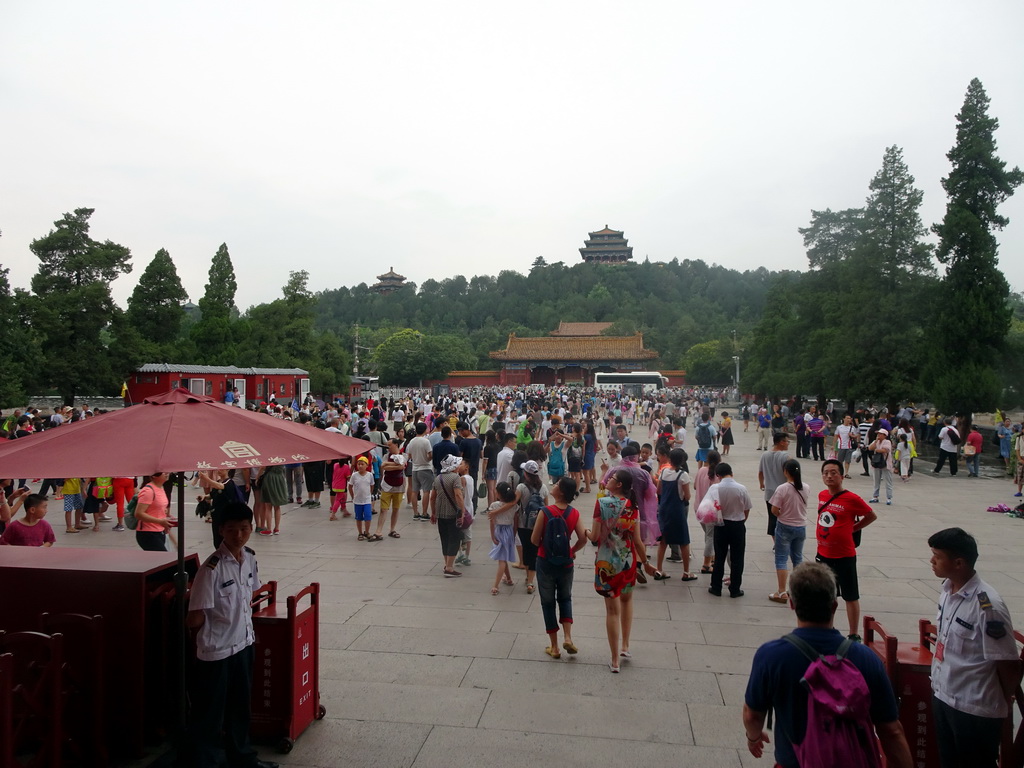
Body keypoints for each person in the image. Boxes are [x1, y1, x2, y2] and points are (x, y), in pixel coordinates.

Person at [742, 562, 912, 768]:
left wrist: (753, 738)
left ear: (792, 604)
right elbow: (892, 731)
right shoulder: (865, 658)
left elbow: (752, 715)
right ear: (834, 605)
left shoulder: (772, 656)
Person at [187, 502, 279, 768]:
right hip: (216, 652)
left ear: (251, 528)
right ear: (220, 531)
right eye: (231, 530)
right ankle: (207, 761)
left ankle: (242, 757)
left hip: (243, 644)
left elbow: (250, 593)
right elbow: (194, 617)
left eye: (244, 529)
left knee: (241, 707)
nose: (238, 535)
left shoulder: (249, 557)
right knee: (210, 713)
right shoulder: (210, 570)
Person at [928, 527, 1019, 768]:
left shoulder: (988, 606)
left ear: (958, 563)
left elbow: (1007, 662)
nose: (932, 561)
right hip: (943, 694)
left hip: (974, 707)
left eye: (937, 556)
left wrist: (999, 701)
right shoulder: (948, 590)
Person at [589, 468, 657, 672]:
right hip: (628, 561)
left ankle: (614, 659)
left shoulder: (602, 504)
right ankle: (625, 646)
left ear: (618, 485)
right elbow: (637, 540)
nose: (608, 479)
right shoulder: (632, 506)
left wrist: (583, 531)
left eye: (612, 478)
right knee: (627, 601)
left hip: (606, 564)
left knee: (611, 610)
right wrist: (645, 563)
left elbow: (593, 536)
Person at [814, 459, 876, 640]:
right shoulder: (822, 495)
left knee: (850, 595)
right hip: (823, 554)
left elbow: (871, 515)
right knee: (828, 595)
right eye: (826, 472)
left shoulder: (852, 498)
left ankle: (854, 633)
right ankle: (828, 628)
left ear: (841, 476)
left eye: (833, 472)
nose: (829, 476)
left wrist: (854, 528)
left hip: (844, 555)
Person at [531, 477, 588, 659]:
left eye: (556, 485)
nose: (553, 487)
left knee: (547, 603)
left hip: (545, 561)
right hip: (566, 563)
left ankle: (554, 647)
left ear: (561, 492)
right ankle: (568, 638)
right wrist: (571, 551)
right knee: (565, 599)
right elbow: (583, 538)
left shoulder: (546, 512)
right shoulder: (574, 513)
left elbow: (534, 540)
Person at [708, 463, 753, 598]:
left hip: (721, 524)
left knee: (719, 556)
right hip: (737, 524)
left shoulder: (715, 488)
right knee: (737, 558)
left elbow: (710, 507)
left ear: (718, 475)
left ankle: (716, 587)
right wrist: (742, 520)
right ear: (731, 472)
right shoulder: (741, 488)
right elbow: (747, 507)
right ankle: (735, 588)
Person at [768, 459, 808, 603]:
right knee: (797, 558)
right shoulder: (806, 487)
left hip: (785, 526)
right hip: (801, 526)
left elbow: (774, 509)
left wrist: (781, 515)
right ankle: (797, 591)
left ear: (785, 472)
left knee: (781, 559)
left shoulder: (782, 488)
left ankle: (781, 591)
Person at [654, 448, 696, 580]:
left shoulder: (664, 471)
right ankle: (686, 572)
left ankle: (659, 569)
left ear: (670, 459)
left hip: (664, 508)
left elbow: (658, 490)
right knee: (683, 541)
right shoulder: (683, 475)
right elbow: (687, 496)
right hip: (677, 510)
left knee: (663, 541)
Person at [429, 454, 466, 577]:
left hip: (440, 513)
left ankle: (447, 564)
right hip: (452, 513)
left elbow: (432, 497)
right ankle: (449, 568)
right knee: (454, 539)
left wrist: (433, 512)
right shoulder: (455, 478)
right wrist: (462, 510)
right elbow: (458, 495)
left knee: (444, 538)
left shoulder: (438, 478)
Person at [487, 482, 520, 594]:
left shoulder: (494, 506)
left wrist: (492, 535)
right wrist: (514, 533)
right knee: (504, 555)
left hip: (499, 531)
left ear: (499, 494)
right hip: (509, 531)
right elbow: (516, 522)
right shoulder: (514, 506)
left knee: (502, 559)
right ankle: (508, 578)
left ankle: (495, 586)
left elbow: (492, 522)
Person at [758, 431, 791, 537]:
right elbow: (790, 475)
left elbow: (760, 472)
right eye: (787, 442)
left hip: (769, 492)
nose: (787, 444)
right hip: (784, 492)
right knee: (785, 518)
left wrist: (761, 484)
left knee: (772, 519)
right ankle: (783, 542)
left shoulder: (765, 455)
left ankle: (776, 543)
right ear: (781, 442)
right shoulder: (786, 457)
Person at [134, 471, 174, 551]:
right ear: (155, 476)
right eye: (164, 472)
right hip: (148, 532)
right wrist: (160, 521)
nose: (167, 473)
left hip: (160, 530)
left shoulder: (161, 488)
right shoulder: (148, 491)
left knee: (158, 560)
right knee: (162, 558)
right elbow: (138, 513)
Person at [349, 456, 375, 541]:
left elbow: (372, 485)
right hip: (357, 501)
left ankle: (367, 532)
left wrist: (369, 494)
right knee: (359, 518)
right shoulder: (354, 475)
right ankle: (360, 533)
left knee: (368, 516)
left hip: (367, 500)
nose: (360, 466)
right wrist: (353, 496)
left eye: (362, 464)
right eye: (358, 464)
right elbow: (350, 486)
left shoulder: (370, 475)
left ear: (366, 465)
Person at [867, 427, 894, 505]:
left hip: (885, 463)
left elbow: (885, 450)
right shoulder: (876, 442)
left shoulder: (887, 442)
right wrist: (875, 442)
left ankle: (889, 497)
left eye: (880, 434)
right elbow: (870, 448)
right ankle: (875, 496)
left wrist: (877, 450)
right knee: (876, 480)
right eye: (878, 434)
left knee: (888, 481)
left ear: (884, 435)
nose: (878, 435)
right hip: (876, 463)